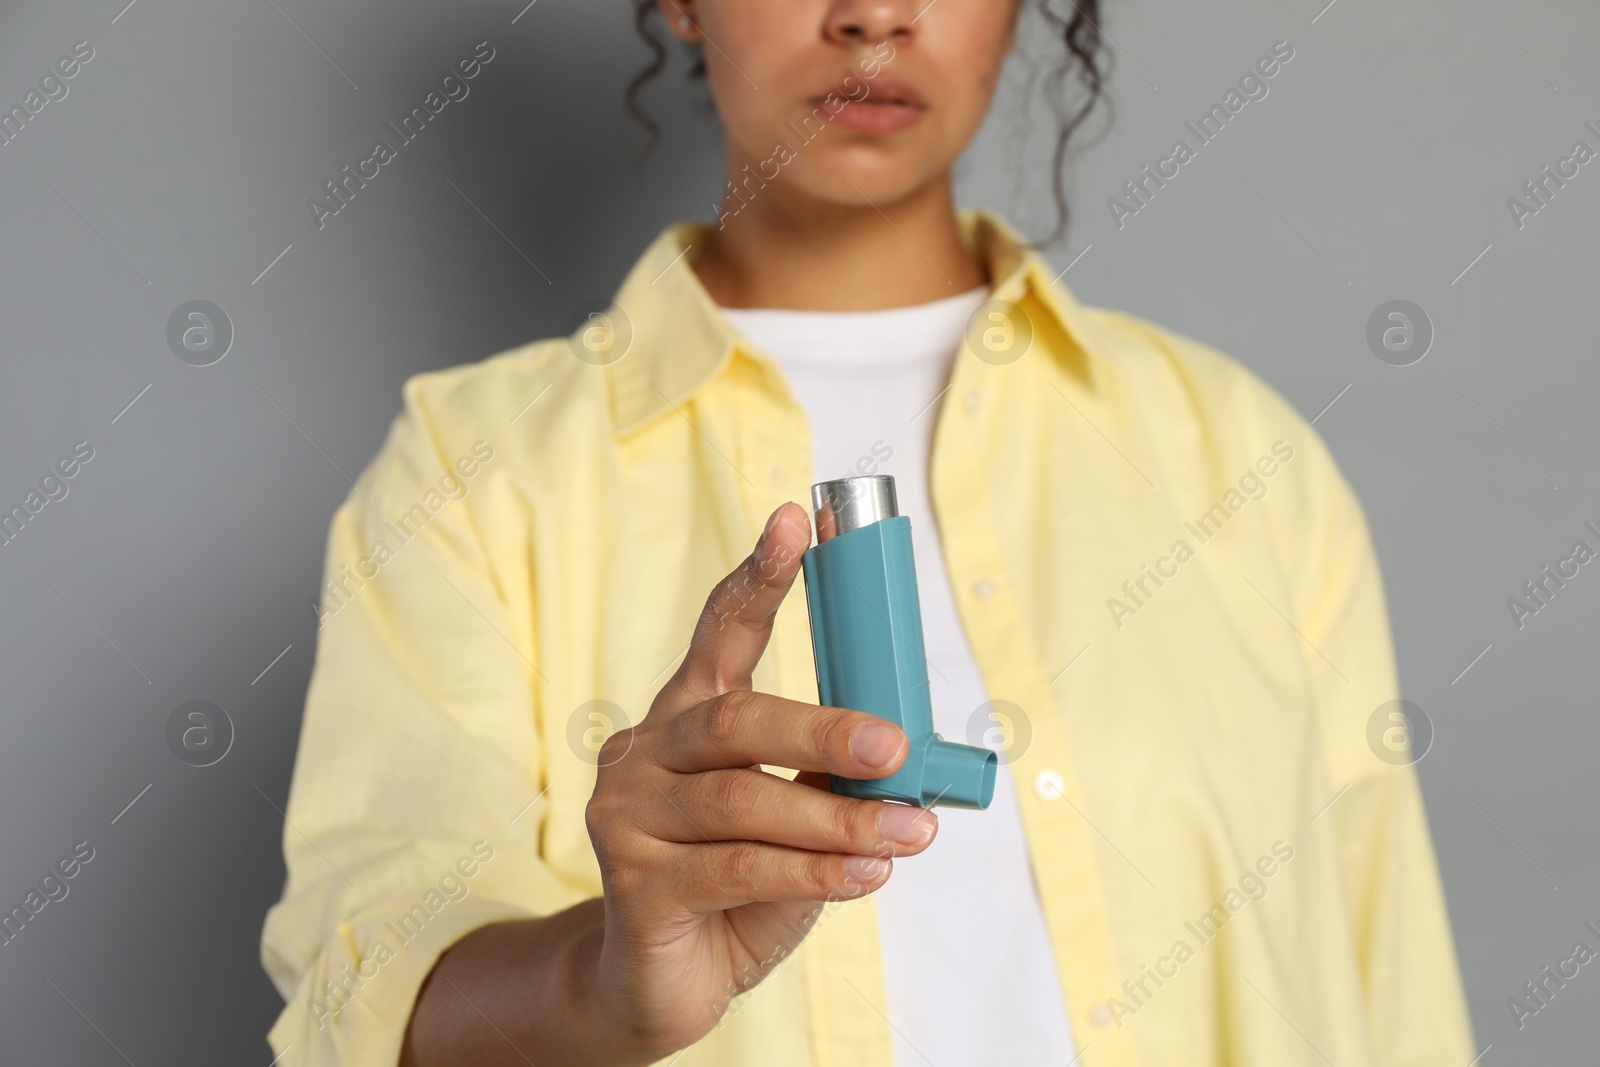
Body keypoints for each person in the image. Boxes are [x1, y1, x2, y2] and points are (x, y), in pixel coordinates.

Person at [261, 1, 1476, 1064]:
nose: (873, 13)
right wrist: (603, 981)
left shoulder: (1239, 457)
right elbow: (364, 997)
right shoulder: (479, 470)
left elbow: (1392, 993)